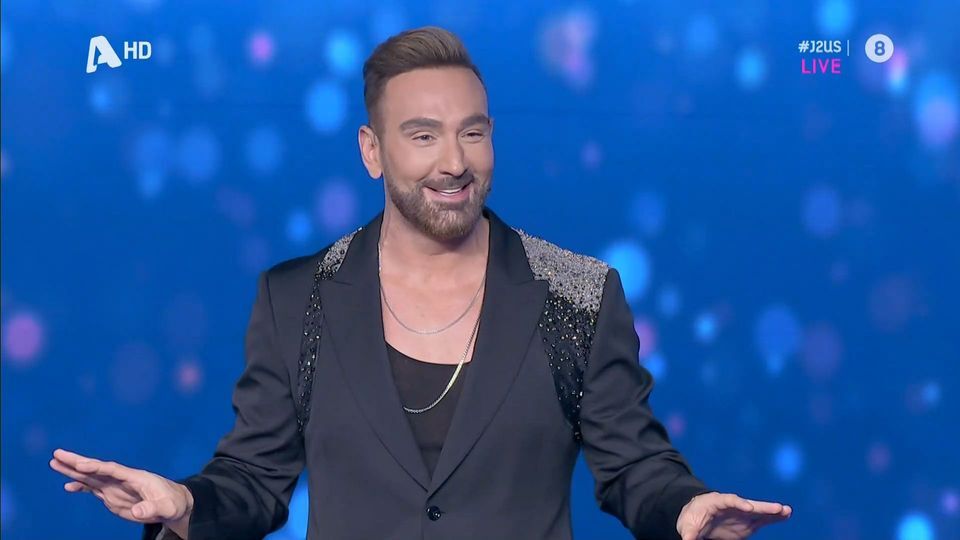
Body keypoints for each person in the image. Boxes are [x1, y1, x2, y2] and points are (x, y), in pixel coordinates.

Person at [50, 26, 792, 540]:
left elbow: (635, 466)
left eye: (473, 131)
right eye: (423, 134)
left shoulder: (579, 293)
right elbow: (252, 478)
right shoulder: (296, 298)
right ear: (372, 151)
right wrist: (184, 504)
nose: (455, 161)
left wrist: (685, 510)